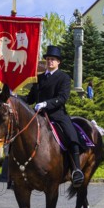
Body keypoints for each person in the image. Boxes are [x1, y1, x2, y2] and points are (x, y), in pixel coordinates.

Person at [24, 45, 84, 187]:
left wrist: (46, 103)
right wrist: (15, 97)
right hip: (38, 115)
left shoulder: (63, 77)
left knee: (72, 137)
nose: (50, 62)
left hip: (57, 114)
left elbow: (62, 98)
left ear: (58, 62)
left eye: (53, 59)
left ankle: (76, 170)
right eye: (48, 59)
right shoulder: (39, 78)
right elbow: (30, 98)